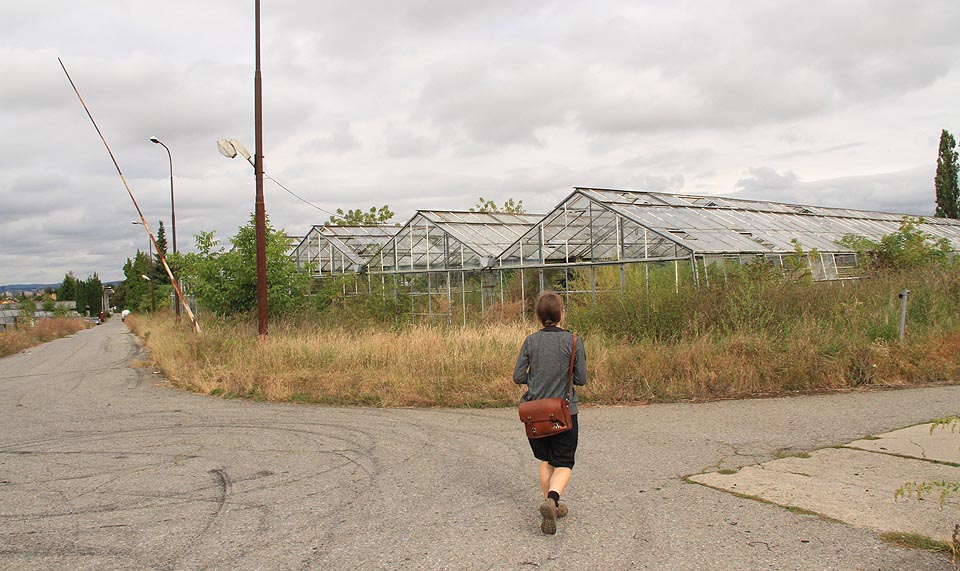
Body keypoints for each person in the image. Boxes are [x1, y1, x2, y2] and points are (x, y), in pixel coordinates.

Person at [513, 291, 587, 535]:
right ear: (561, 313)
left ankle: (551, 505)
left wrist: (536, 379)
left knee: (546, 460)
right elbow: (581, 379)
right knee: (564, 462)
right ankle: (553, 499)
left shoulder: (530, 341)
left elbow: (518, 376)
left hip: (535, 413)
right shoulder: (573, 341)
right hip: (564, 412)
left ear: (538, 316)